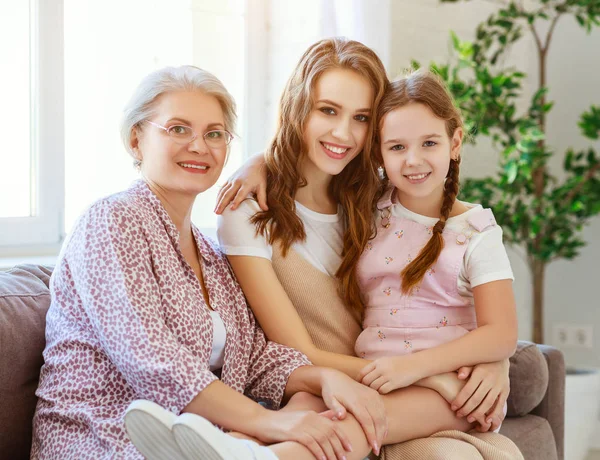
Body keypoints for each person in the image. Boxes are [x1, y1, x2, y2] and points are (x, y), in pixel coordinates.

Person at [30, 65, 390, 460]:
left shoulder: (209, 253)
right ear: (136, 140)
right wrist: (267, 422)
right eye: (178, 129)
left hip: (206, 442)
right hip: (106, 438)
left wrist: (325, 378)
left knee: (315, 408)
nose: (199, 146)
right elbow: (152, 360)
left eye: (214, 134)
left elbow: (254, 358)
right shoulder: (111, 222)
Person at [216, 40, 513, 436]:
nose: (344, 133)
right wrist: (260, 162)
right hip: (329, 376)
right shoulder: (251, 211)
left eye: (360, 117)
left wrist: (497, 361)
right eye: (327, 110)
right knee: (298, 420)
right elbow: (299, 353)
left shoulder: (375, 199)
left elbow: (479, 312)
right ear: (297, 108)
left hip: (399, 377)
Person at [352, 70, 518, 431]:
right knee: (313, 411)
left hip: (451, 388)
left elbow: (502, 332)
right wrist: (255, 167)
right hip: (377, 376)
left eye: (429, 143)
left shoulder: (476, 232)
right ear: (378, 152)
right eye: (397, 147)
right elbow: (301, 175)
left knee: (360, 426)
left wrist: (414, 366)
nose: (413, 160)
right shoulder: (371, 208)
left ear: (454, 143)